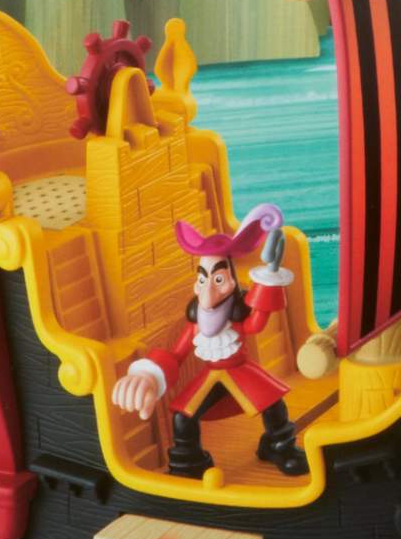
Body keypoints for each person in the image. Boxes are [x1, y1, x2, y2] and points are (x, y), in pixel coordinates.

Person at [110, 203, 308, 478]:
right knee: (183, 417)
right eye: (203, 280)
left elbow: (256, 324)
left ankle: (279, 446)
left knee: (273, 403)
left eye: (218, 279)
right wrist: (149, 376)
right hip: (212, 375)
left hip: (241, 370)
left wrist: (267, 283)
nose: (208, 290)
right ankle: (188, 459)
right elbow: (176, 355)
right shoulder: (196, 324)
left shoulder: (236, 316)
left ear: (232, 281)